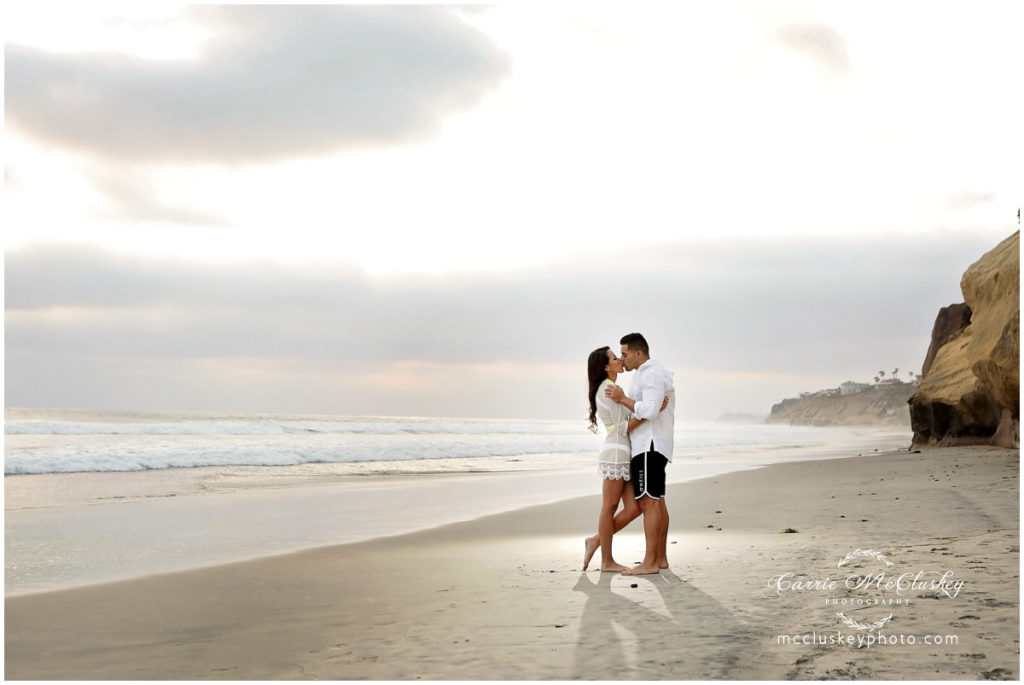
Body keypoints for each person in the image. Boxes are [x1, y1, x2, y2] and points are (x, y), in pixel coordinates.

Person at [582, 346, 668, 572]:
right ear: (605, 366)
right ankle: (606, 561)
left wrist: (650, 408)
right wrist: (653, 410)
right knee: (608, 507)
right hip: (616, 452)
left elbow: (629, 415)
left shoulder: (614, 388)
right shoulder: (607, 390)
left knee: (633, 509)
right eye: (614, 357)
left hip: (625, 452)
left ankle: (595, 540)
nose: (619, 359)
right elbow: (621, 427)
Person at [605, 332, 675, 575]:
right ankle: (660, 558)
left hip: (650, 444)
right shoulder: (648, 374)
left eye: (624, 354)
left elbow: (650, 410)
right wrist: (638, 405)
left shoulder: (652, 373)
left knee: (648, 502)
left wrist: (623, 398)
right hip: (652, 444)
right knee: (657, 502)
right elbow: (645, 409)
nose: (622, 359)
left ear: (638, 353)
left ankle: (650, 563)